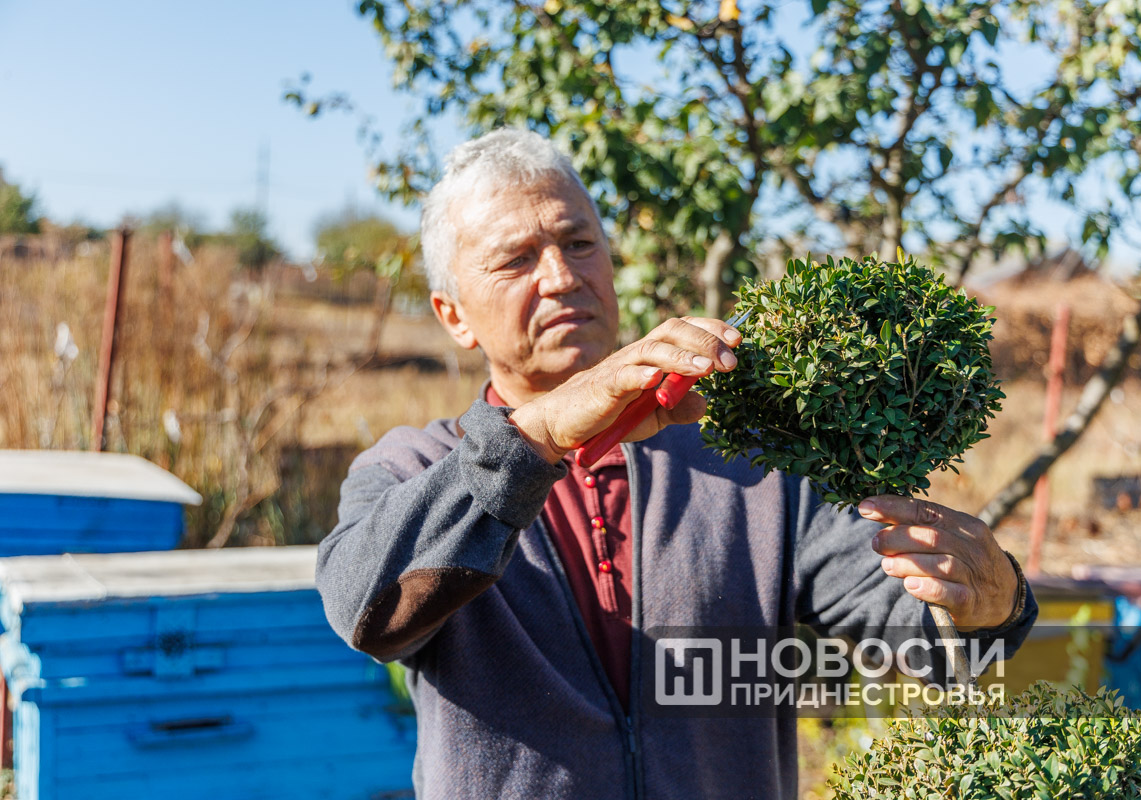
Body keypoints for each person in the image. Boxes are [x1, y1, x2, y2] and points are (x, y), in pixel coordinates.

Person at [315, 128, 1037, 800]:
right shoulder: (413, 468)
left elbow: (922, 637)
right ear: (453, 315)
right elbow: (368, 613)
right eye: (516, 259)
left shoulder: (749, 459)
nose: (562, 276)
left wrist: (990, 603)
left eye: (580, 242)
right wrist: (536, 436)